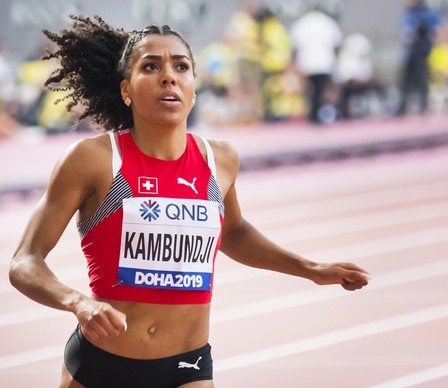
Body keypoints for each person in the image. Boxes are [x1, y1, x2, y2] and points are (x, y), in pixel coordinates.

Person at [8, 15, 370, 388]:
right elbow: (24, 261)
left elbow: (234, 233)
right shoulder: (94, 159)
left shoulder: (221, 160)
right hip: (102, 367)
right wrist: (77, 302)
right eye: (151, 66)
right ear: (126, 90)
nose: (169, 76)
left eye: (181, 66)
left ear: (193, 89)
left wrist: (310, 268)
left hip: (188, 366)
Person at [290, 6, 343, 124]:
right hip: (324, 62)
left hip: (307, 62)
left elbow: (295, 45)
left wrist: (294, 62)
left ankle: (313, 114)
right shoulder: (328, 23)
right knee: (319, 90)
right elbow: (337, 44)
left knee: (310, 91)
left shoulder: (302, 23)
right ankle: (316, 114)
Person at [395, 0, 441, 116]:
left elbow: (436, 30)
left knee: (422, 81)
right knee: (405, 82)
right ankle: (402, 107)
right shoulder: (409, 13)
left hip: (422, 54)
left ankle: (423, 107)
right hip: (410, 54)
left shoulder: (425, 13)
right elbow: (405, 32)